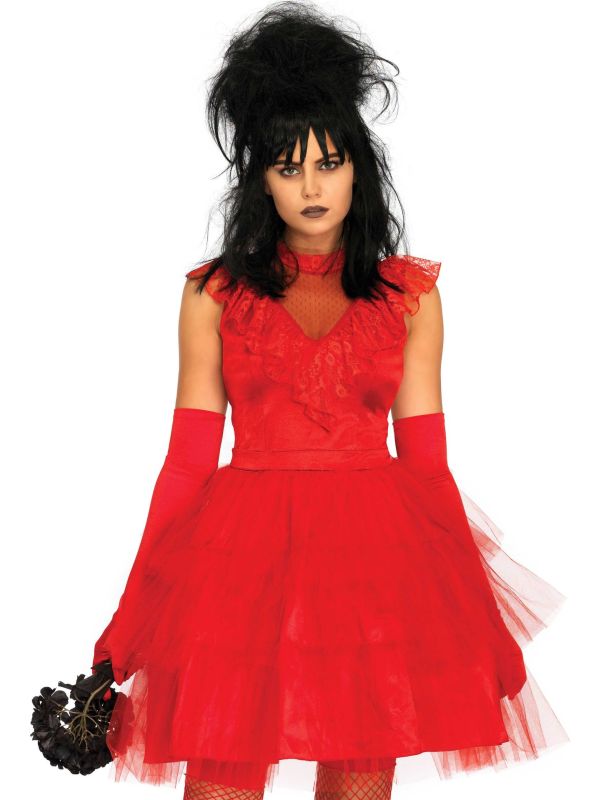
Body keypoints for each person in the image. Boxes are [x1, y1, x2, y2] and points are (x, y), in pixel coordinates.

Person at [91, 3, 569, 798]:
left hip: (374, 572)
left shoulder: (410, 298)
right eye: (288, 166)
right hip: (238, 574)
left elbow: (428, 467)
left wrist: (480, 620)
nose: (312, 186)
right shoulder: (213, 295)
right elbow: (185, 466)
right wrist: (131, 615)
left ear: (358, 168)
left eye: (330, 161)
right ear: (260, 179)